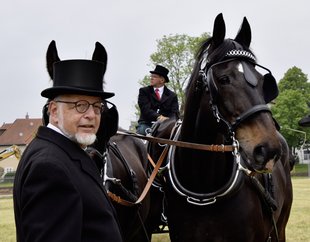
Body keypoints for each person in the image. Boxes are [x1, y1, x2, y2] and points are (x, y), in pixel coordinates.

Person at [13, 41, 123, 242]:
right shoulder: (49, 167)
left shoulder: (65, 152)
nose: (91, 114)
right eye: (80, 105)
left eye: (97, 106)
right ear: (54, 111)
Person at [136, 64, 179, 135]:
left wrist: (168, 121)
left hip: (165, 126)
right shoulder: (144, 91)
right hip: (146, 124)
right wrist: (159, 117)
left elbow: (175, 113)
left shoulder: (172, 95)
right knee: (142, 133)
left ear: (162, 80)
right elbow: (145, 109)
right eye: (151, 76)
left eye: (154, 77)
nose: (151, 78)